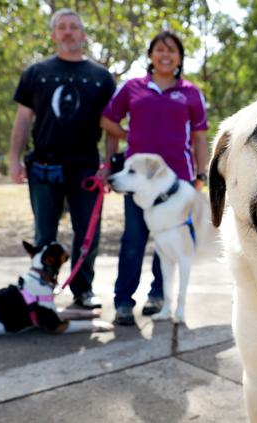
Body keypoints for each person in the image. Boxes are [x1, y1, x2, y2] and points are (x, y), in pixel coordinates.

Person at [9, 9, 116, 309]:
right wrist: (14, 158)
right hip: (44, 166)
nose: (68, 32)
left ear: (83, 35)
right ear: (53, 35)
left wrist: (108, 163)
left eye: (74, 27)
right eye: (62, 28)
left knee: (88, 235)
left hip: (86, 167)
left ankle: (83, 289)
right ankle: (41, 292)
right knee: (44, 235)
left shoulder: (101, 77)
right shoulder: (36, 73)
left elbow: (111, 127)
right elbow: (23, 119)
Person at [100, 31, 208, 325]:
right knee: (134, 239)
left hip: (178, 185)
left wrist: (201, 174)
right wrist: (126, 137)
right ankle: (123, 301)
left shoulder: (190, 92)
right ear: (150, 56)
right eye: (159, 49)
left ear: (180, 58)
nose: (165, 54)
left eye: (172, 50)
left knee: (170, 243)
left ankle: (158, 296)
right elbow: (107, 120)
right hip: (139, 183)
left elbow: (200, 137)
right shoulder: (133, 87)